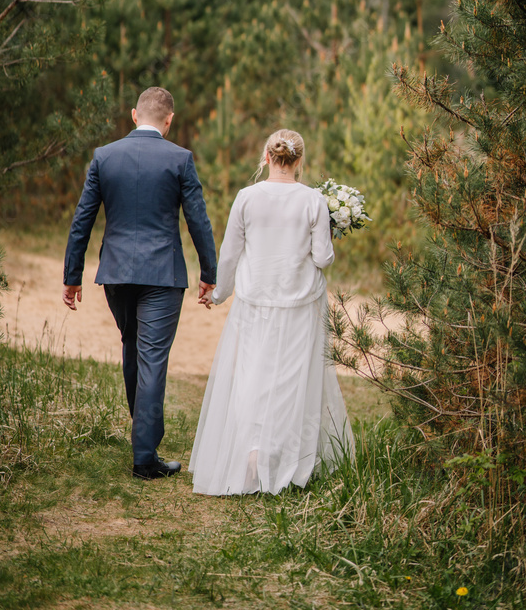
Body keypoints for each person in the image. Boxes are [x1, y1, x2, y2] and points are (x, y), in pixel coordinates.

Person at [63, 86, 217, 480]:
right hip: (162, 275)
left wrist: (72, 276)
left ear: (134, 115)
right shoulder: (180, 159)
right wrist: (209, 273)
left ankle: (143, 440)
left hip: (116, 274)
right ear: (169, 120)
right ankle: (145, 457)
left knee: (133, 347)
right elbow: (198, 220)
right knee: (151, 357)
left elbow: (83, 219)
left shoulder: (105, 156)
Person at [189, 129, 354, 496]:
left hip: (255, 305)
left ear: (266, 157)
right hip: (299, 306)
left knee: (253, 377)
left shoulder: (246, 197)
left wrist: (219, 294)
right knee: (290, 383)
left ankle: (252, 453)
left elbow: (229, 254)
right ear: (299, 161)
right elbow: (323, 258)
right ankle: (282, 460)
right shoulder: (313, 200)